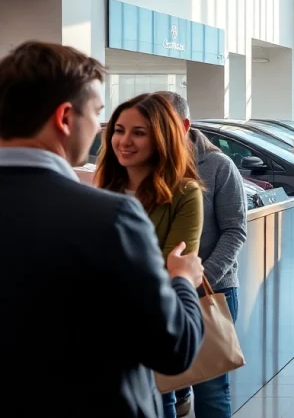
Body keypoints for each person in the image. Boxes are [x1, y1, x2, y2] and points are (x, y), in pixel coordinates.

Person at [0, 41, 205, 418]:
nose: (101, 129)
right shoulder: (110, 217)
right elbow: (174, 348)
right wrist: (182, 279)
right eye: (98, 113)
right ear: (65, 117)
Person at [95, 93, 206, 418]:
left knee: (162, 400)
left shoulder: (184, 192)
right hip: (102, 334)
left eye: (138, 133)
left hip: (152, 323)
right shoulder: (101, 188)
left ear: (162, 137)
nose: (124, 141)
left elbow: (173, 267)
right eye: (118, 130)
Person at [156, 91, 247, 418]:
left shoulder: (218, 166)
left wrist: (198, 277)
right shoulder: (147, 166)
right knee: (160, 391)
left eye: (163, 124)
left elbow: (235, 231)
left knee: (211, 390)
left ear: (184, 125)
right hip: (159, 295)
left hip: (210, 290)